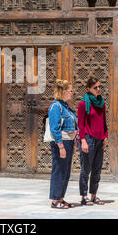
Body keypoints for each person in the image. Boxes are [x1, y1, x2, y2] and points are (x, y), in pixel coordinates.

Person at [77, 77, 108, 206]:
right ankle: (84, 196)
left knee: (97, 169)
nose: (98, 89)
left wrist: (105, 136)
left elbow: (103, 121)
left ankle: (93, 195)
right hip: (88, 139)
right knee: (86, 168)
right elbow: (81, 124)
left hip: (100, 139)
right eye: (95, 87)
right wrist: (83, 141)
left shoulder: (101, 102)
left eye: (100, 86)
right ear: (88, 89)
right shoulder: (83, 103)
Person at [48, 79, 78, 209]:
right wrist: (61, 146)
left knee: (65, 171)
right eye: (71, 91)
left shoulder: (66, 106)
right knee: (59, 170)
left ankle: (61, 197)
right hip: (61, 142)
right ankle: (55, 200)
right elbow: (54, 128)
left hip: (69, 142)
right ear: (64, 92)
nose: (72, 93)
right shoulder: (55, 106)